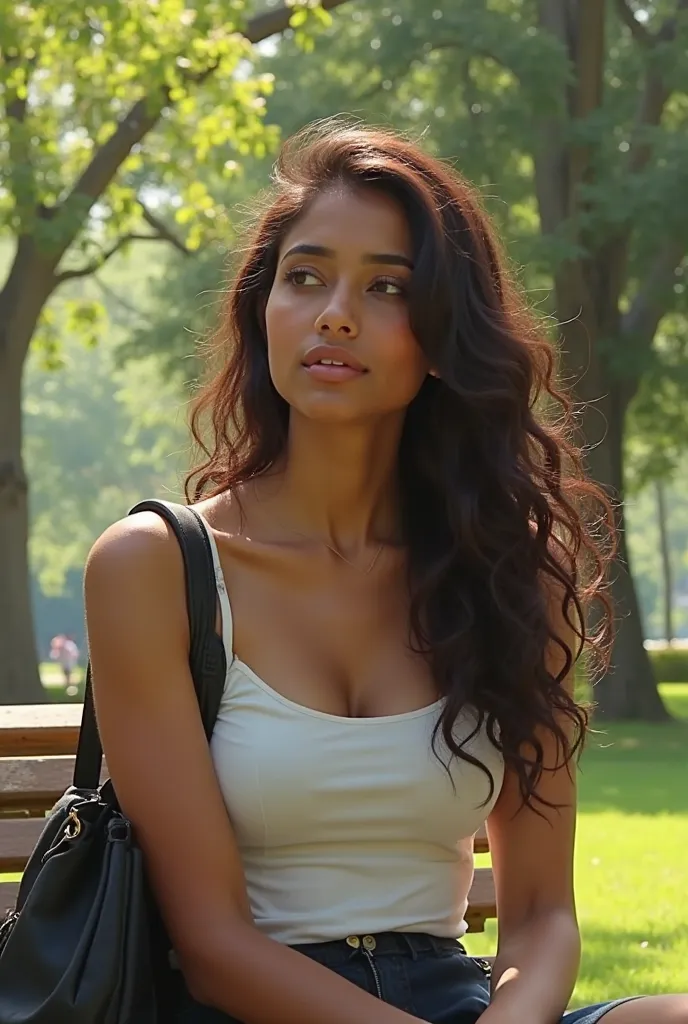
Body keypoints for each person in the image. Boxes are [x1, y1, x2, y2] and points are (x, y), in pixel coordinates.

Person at [84, 121, 688, 1024]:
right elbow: (212, 948)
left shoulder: (517, 578)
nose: (335, 312)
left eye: (387, 287)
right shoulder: (155, 569)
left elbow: (539, 915)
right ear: (263, 311)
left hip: (458, 1003)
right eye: (305, 277)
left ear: (446, 336)